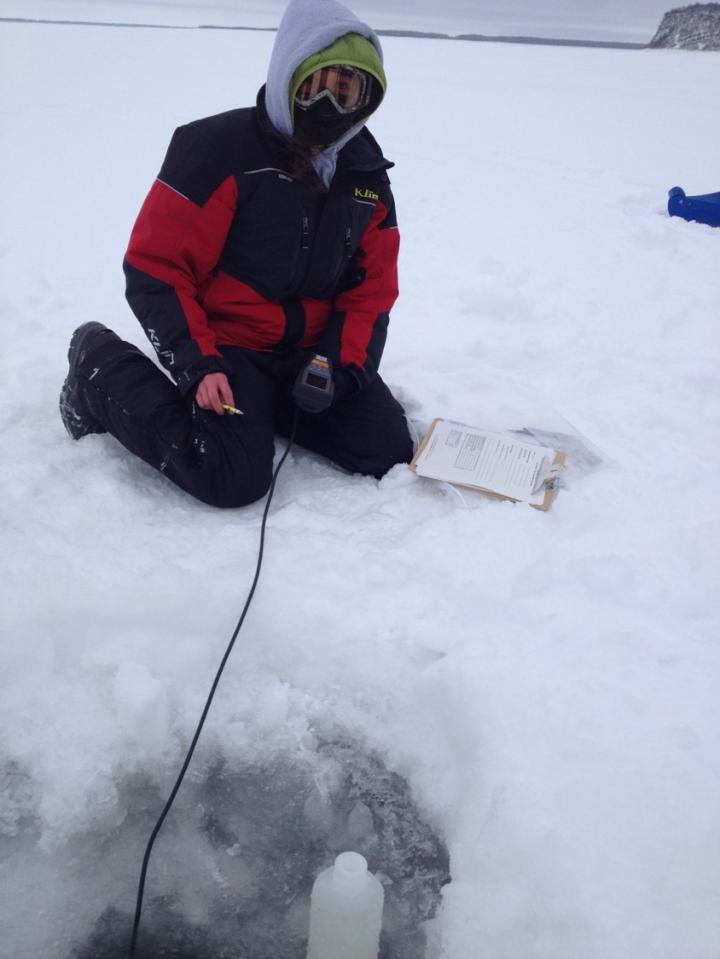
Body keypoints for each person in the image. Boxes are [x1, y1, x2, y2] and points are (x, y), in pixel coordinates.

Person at [58, 0, 413, 508]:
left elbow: (371, 293)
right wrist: (199, 365)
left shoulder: (366, 177)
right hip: (230, 345)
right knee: (230, 476)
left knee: (386, 450)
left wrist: (338, 368)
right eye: (315, 87)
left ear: (367, 100)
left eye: (345, 93)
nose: (328, 107)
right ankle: (97, 364)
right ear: (289, 76)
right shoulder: (216, 150)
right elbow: (156, 268)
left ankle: (273, 408)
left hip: (310, 352)